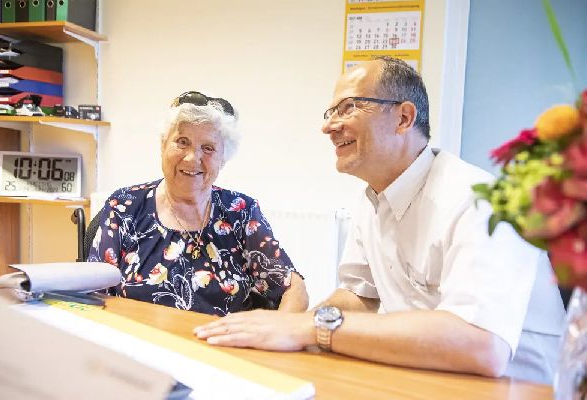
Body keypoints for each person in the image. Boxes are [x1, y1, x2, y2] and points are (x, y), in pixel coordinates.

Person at [193, 58, 566, 384]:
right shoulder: (371, 198)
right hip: (427, 377)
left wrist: (311, 327)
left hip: (516, 388)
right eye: (330, 113)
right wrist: (289, 329)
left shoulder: (476, 199)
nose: (329, 126)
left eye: (349, 108)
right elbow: (359, 295)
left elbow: (481, 345)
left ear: (404, 118)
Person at [88, 91, 308, 316]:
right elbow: (91, 292)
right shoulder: (125, 206)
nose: (192, 158)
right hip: (138, 336)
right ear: (163, 145)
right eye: (182, 142)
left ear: (223, 158)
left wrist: (280, 329)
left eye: (208, 147)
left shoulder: (241, 212)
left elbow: (294, 289)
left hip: (218, 338)